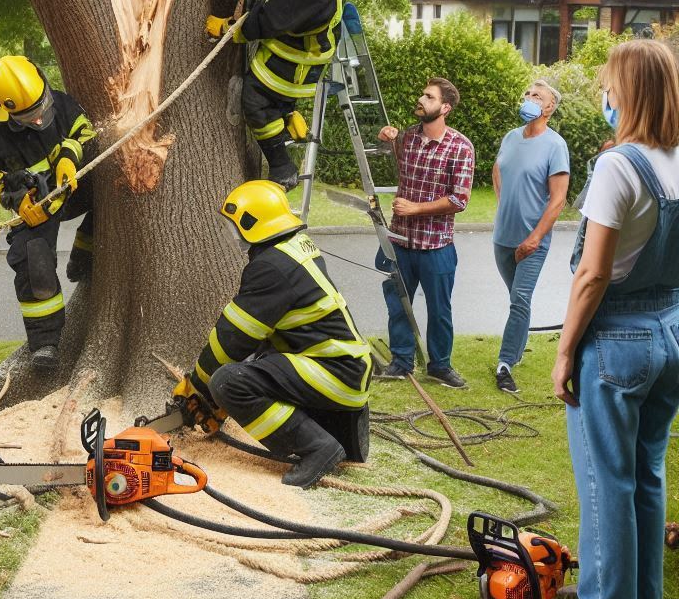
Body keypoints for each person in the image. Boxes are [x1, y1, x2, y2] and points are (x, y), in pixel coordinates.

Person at [553, 40, 679, 599]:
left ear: (626, 93)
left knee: (607, 476)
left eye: (609, 84)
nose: (604, 93)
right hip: (672, 330)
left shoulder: (618, 165)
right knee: (647, 471)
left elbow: (593, 273)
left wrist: (563, 351)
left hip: (618, 336)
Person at [177, 180, 373, 488]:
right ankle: (320, 435)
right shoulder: (293, 247)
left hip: (334, 371)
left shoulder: (272, 267)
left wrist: (197, 386)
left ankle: (316, 448)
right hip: (342, 365)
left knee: (228, 382)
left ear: (252, 223)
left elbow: (233, 338)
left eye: (235, 225)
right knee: (261, 359)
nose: (233, 234)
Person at [205, 0, 360, 189]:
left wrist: (226, 29)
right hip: (301, 36)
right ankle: (288, 116)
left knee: (255, 101)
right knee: (272, 101)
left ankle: (282, 165)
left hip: (295, 63)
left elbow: (264, 22)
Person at [0, 56, 97, 372]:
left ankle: (86, 246)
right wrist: (15, 199)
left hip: (79, 188)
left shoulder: (63, 105)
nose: (39, 119)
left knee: (117, 198)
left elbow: (86, 131)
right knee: (33, 261)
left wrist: (69, 158)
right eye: (29, 115)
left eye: (41, 107)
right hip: (38, 209)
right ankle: (45, 344)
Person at [376, 78, 474, 389]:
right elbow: (391, 155)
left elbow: (460, 200)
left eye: (429, 97)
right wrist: (386, 138)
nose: (421, 99)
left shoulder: (460, 147)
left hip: (436, 247)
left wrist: (416, 209)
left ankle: (440, 366)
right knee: (399, 305)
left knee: (439, 310)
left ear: (445, 108)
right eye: (422, 94)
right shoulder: (407, 138)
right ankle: (401, 362)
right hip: (401, 242)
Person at [491, 81, 570, 394]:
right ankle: (518, 350)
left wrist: (536, 237)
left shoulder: (555, 145)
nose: (529, 99)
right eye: (527, 94)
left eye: (537, 96)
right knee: (517, 300)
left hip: (532, 242)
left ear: (549, 108)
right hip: (503, 237)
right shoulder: (511, 137)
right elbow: (498, 170)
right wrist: (503, 203)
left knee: (520, 300)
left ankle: (505, 363)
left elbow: (558, 199)